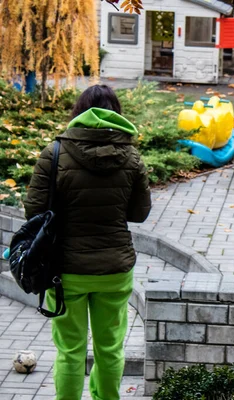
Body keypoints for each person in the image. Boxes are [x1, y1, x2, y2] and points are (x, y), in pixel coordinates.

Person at [24, 85, 152, 399]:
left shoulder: (54, 153)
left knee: (70, 350)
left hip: (65, 270)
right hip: (114, 269)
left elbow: (33, 211)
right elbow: (139, 213)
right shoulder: (132, 157)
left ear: (78, 113)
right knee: (109, 348)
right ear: (117, 114)